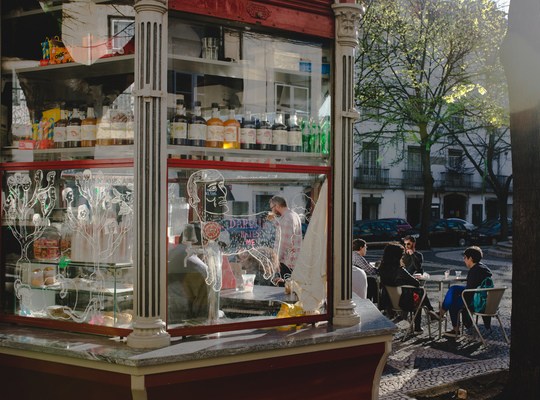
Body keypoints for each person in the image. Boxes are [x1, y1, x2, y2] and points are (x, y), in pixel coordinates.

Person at [378, 242, 438, 333]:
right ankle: (423, 321)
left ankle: (430, 312)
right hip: (404, 303)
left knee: (418, 293)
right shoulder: (400, 270)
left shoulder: (381, 269)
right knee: (419, 292)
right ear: (397, 256)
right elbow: (416, 283)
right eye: (402, 254)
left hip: (388, 302)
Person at [440, 246, 493, 337]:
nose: (464, 260)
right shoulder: (483, 268)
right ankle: (441, 312)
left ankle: (454, 328)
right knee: (453, 289)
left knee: (453, 303)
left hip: (476, 300)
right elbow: (473, 287)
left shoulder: (474, 271)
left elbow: (468, 293)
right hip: (482, 297)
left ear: (470, 258)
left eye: (465, 258)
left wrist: (460, 300)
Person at [268, 195, 302, 280]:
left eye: (272, 208)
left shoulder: (287, 219)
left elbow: (283, 244)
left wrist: (275, 262)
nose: (272, 210)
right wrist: (274, 220)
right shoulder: (293, 215)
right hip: (293, 261)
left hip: (287, 262)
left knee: (284, 291)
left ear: (277, 206)